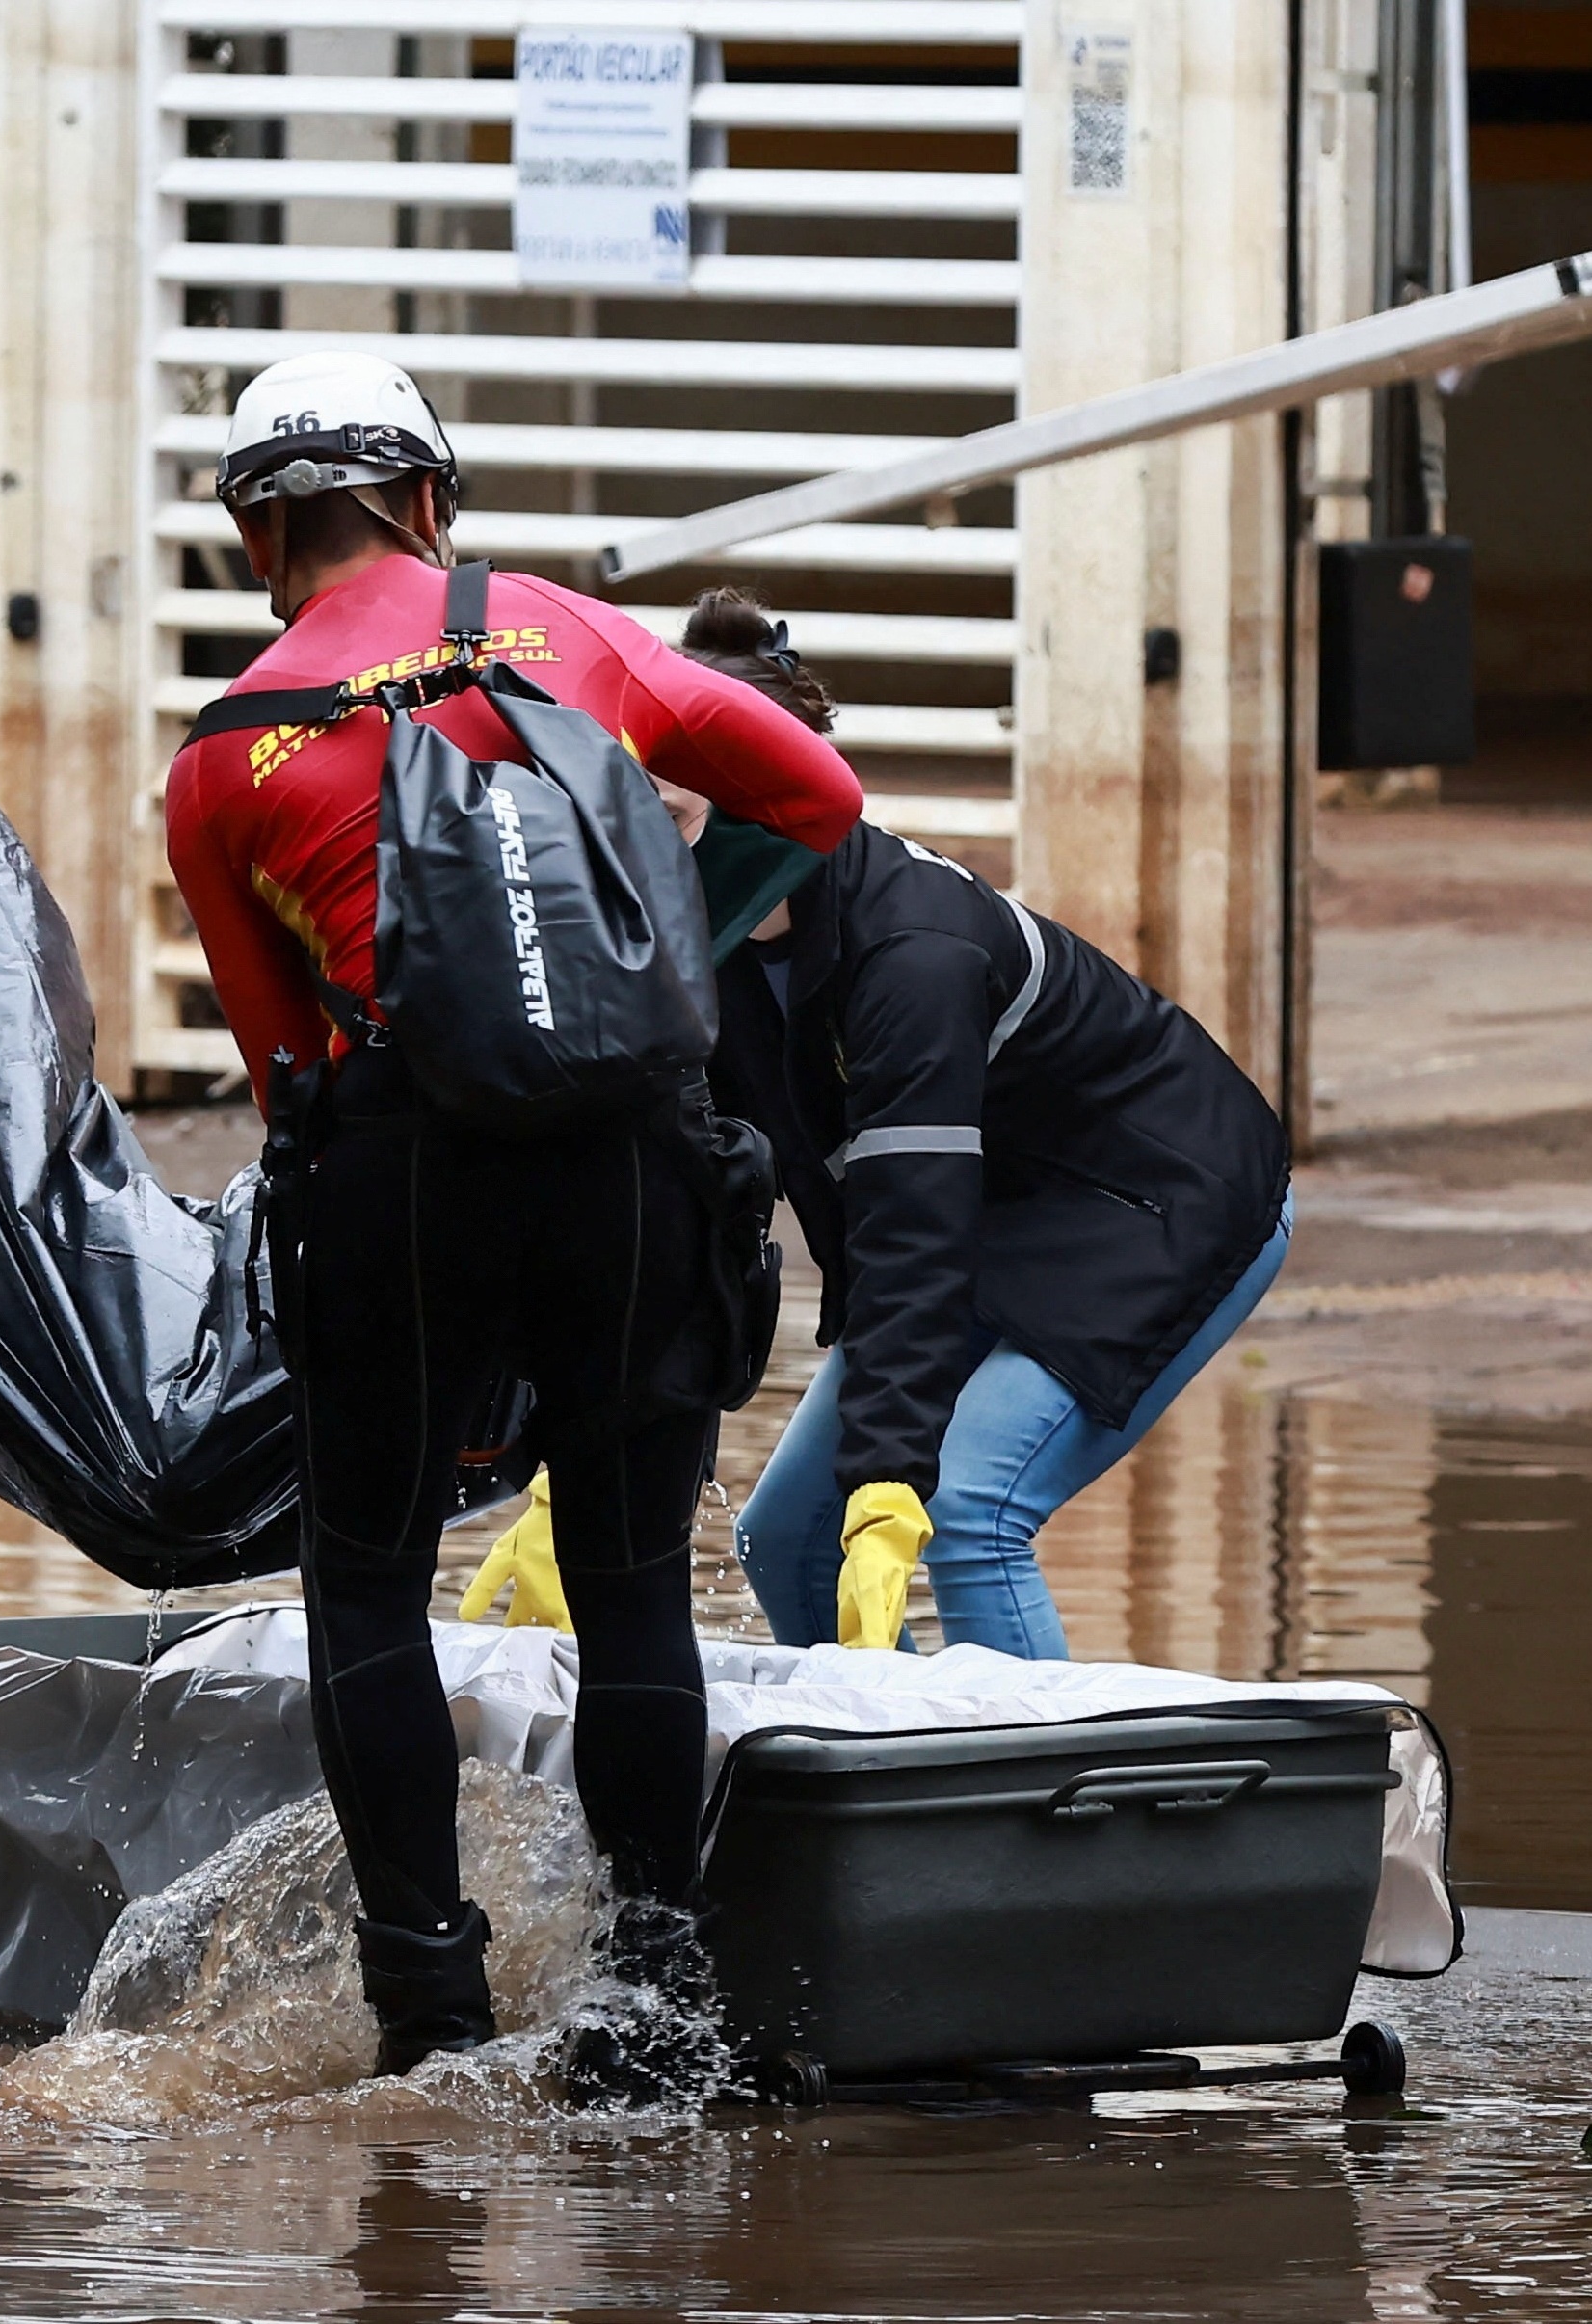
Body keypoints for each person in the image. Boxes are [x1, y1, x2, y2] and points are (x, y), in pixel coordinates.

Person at [163, 351, 864, 2084]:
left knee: (368, 1585)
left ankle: (427, 2011)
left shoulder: (224, 755)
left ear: (260, 536)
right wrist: (654, 956)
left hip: (401, 1169)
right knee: (631, 1585)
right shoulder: (564, 634)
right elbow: (819, 802)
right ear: (425, 502)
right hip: (630, 1157)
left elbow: (279, 1063)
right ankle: (652, 1979)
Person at [637, 592, 1292, 1656]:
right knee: (786, 1539)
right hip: (981, 1204)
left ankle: (1050, 1815)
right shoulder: (695, 951)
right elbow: (681, 1213)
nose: (639, 854)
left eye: (665, 821)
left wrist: (888, 1479)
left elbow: (912, 1226)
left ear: (765, 805)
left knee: (968, 1512)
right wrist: (575, 1466)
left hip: (1148, 1195)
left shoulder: (915, 957)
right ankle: (878, 1772)